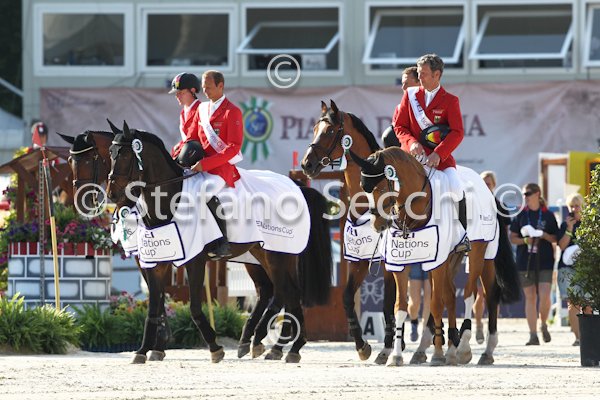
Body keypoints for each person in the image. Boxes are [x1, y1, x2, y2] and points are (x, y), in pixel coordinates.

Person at [392, 53, 470, 253]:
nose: (420, 78)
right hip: (411, 159)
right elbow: (399, 126)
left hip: (438, 160)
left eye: (424, 74)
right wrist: (411, 143)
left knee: (456, 188)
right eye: (418, 73)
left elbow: (457, 132)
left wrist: (439, 153)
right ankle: (391, 230)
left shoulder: (450, 100)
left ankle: (462, 234)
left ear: (437, 75)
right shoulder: (410, 95)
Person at [188, 70, 244, 260]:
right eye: (203, 88)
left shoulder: (232, 111)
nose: (205, 92)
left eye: (209, 87)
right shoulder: (202, 109)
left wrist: (206, 164)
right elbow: (191, 138)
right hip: (198, 166)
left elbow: (233, 148)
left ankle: (222, 241)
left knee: (204, 193)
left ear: (221, 86)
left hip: (220, 169)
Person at [509, 183, 558, 345]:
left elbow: (555, 238)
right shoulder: (521, 215)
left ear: (537, 194)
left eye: (528, 193)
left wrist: (544, 235)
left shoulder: (548, 215)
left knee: (544, 296)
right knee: (530, 298)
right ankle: (533, 335)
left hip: (545, 261)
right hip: (525, 262)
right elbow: (512, 238)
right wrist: (525, 240)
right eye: (523, 194)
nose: (525, 197)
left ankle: (543, 323)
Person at [471, 171, 511, 343]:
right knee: (479, 294)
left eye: (488, 183)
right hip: (477, 253)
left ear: (494, 185)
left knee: (493, 293)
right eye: (483, 183)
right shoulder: (473, 205)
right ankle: (478, 324)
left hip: (495, 254)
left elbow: (505, 231)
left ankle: (492, 326)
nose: (486, 186)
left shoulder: (500, 205)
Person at [557, 192, 585, 346]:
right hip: (567, 269)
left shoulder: (590, 225)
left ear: (583, 206)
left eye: (577, 206)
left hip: (586, 268)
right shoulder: (564, 225)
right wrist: (569, 228)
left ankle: (587, 337)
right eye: (571, 206)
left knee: (588, 303)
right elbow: (561, 246)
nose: (574, 209)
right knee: (573, 304)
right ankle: (578, 338)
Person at [383, 67, 419, 148]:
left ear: (419, 83)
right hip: (407, 152)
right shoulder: (399, 108)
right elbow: (395, 134)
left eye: (406, 83)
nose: (403, 87)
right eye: (402, 84)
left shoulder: (432, 104)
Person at [168, 72, 202, 159]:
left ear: (193, 91)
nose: (177, 96)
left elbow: (195, 139)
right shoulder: (183, 112)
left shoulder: (201, 109)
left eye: (181, 92)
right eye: (176, 93)